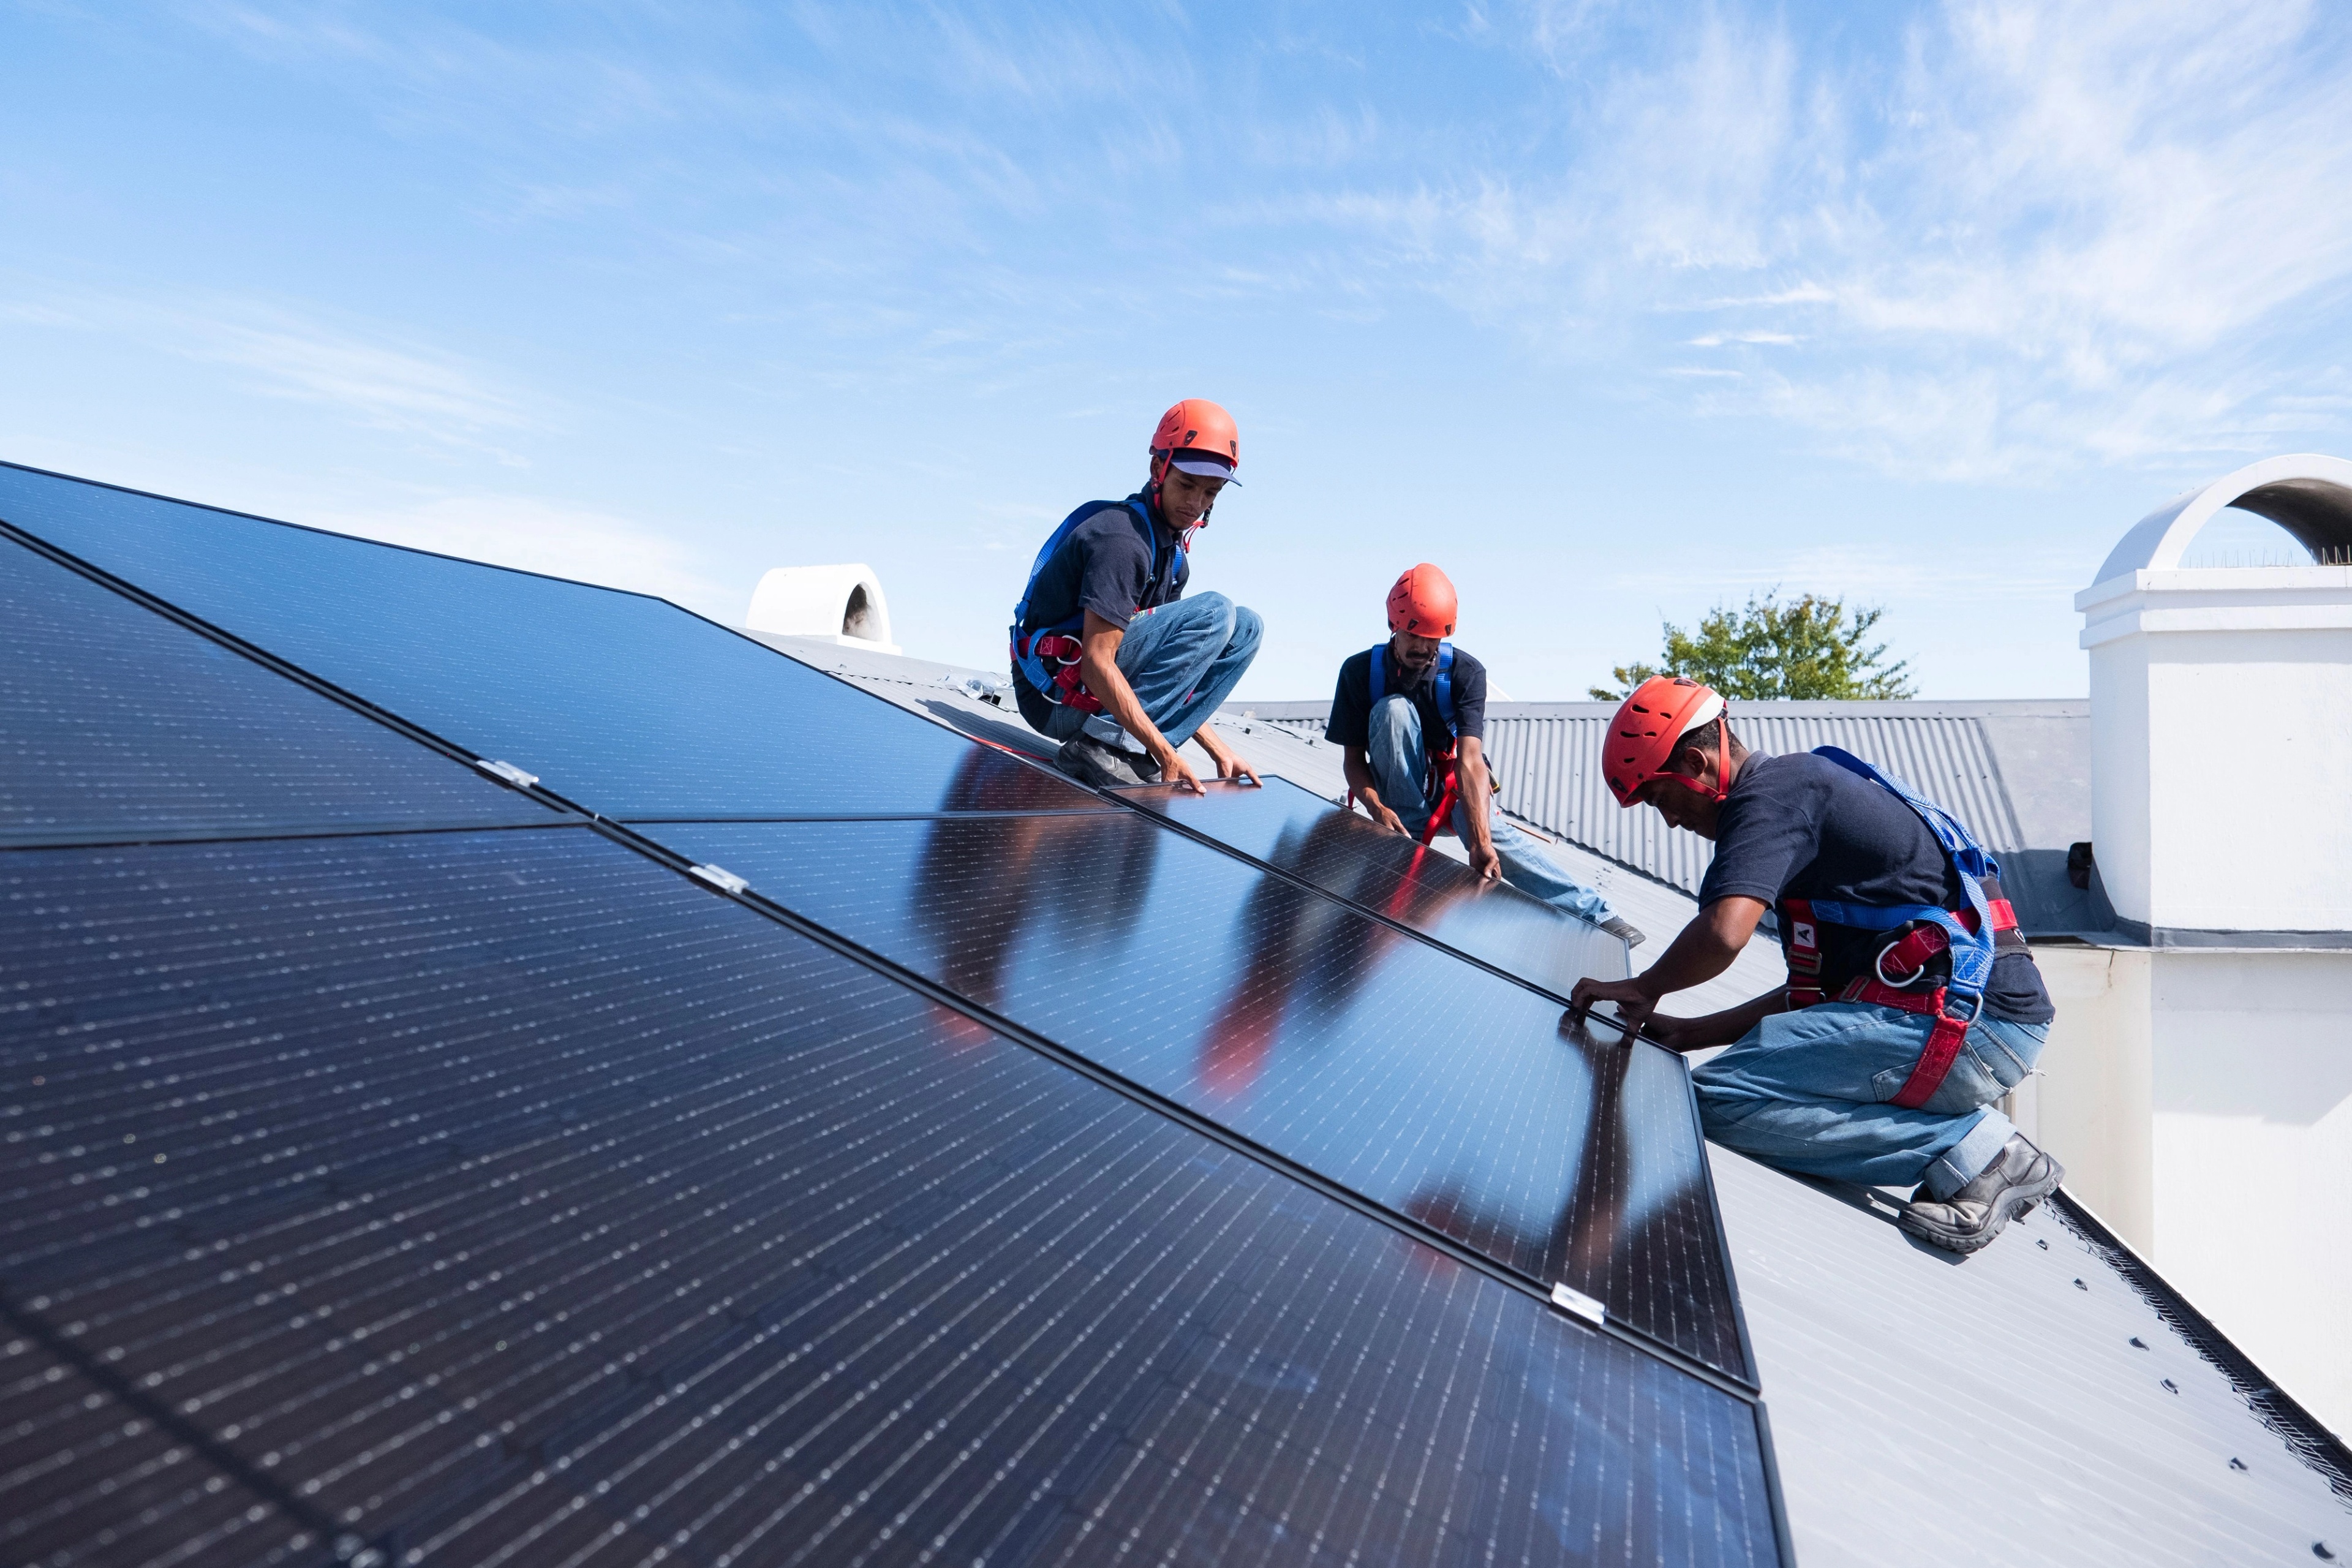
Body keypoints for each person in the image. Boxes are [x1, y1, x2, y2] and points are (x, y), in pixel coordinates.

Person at [1566, 676, 2063, 1254]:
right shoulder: (1802, 796)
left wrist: (1644, 988)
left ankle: (1976, 1153)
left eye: (1658, 798)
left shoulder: (1773, 795)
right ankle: (1967, 1145)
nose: (1670, 822)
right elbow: (1817, 995)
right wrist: (1690, 1031)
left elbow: (1725, 934)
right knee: (1727, 1088)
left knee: (1719, 1100)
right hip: (1977, 1022)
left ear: (1698, 764)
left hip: (1969, 1025)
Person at [1326, 564, 1630, 935]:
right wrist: (1375, 808)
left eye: (1433, 638)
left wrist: (1481, 838)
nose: (1423, 647)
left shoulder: (1465, 673)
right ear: (1394, 625)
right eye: (1414, 635)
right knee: (1393, 710)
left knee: (1493, 842)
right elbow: (1354, 761)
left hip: (1449, 790)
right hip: (1393, 796)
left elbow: (1470, 759)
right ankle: (1405, 831)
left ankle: (1596, 915)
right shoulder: (1359, 672)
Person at [1009, 399, 1262, 793]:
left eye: (1211, 492)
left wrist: (1218, 749)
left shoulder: (1173, 557)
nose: (1196, 503)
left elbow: (1172, 671)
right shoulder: (1122, 540)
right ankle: (1102, 747)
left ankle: (1114, 744)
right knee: (1216, 611)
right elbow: (1096, 663)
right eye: (1187, 484)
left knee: (1247, 626)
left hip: (1092, 699)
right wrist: (1164, 752)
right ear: (1158, 468)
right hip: (1056, 698)